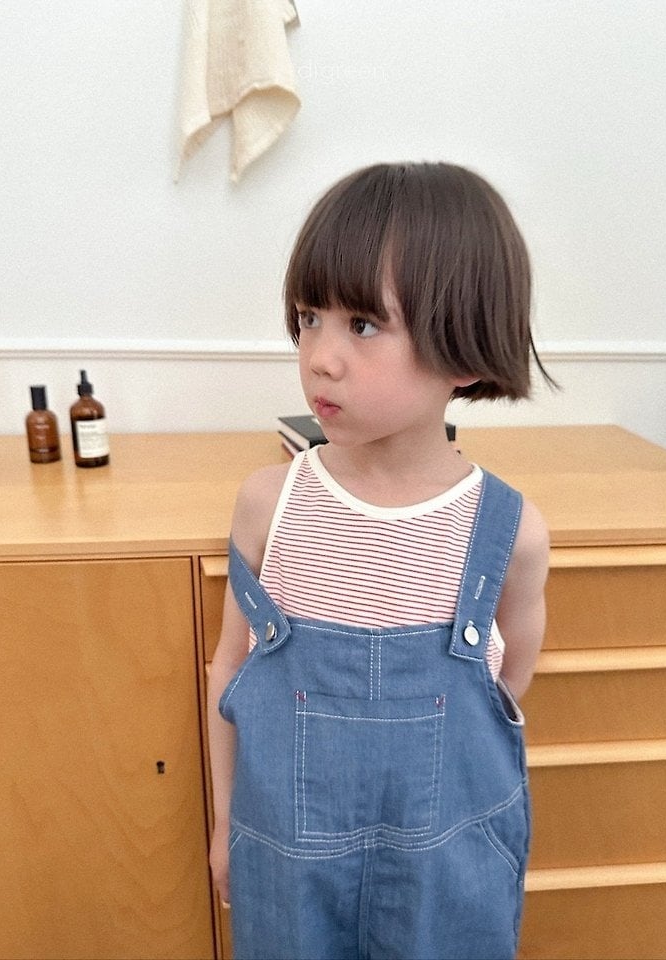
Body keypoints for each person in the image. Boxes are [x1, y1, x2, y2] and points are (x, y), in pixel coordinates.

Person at [207, 162, 553, 960]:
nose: (320, 357)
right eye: (308, 318)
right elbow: (229, 670)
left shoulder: (510, 534)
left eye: (362, 324)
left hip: (447, 884)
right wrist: (225, 822)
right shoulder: (269, 504)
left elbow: (501, 693)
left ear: (464, 349)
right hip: (284, 872)